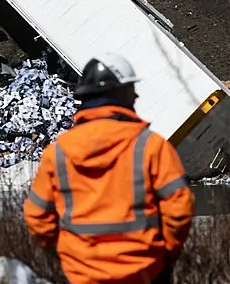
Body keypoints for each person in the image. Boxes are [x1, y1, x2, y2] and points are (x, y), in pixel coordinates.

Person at [24, 54, 194, 284]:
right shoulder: (151, 147)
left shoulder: (58, 153)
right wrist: (166, 255)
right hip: (144, 273)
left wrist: (65, 253)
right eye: (131, 88)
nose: (136, 94)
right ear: (119, 93)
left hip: (82, 275)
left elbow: (37, 216)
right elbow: (179, 210)